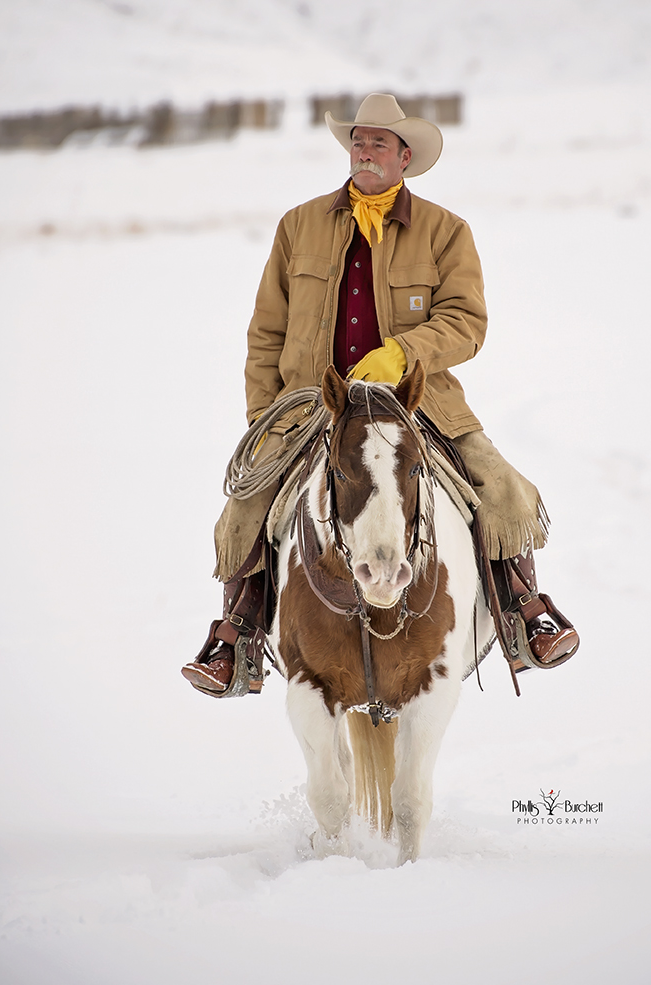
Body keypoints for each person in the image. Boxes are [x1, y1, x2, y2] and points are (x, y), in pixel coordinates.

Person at [182, 94, 579, 697]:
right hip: (311, 408)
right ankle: (234, 639)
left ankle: (526, 613)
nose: (364, 152)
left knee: (501, 490)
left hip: (416, 404)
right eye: (358, 141)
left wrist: (404, 353)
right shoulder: (300, 224)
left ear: (404, 156)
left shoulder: (447, 232)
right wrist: (264, 419)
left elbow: (466, 321)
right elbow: (266, 332)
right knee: (243, 508)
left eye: (378, 144)